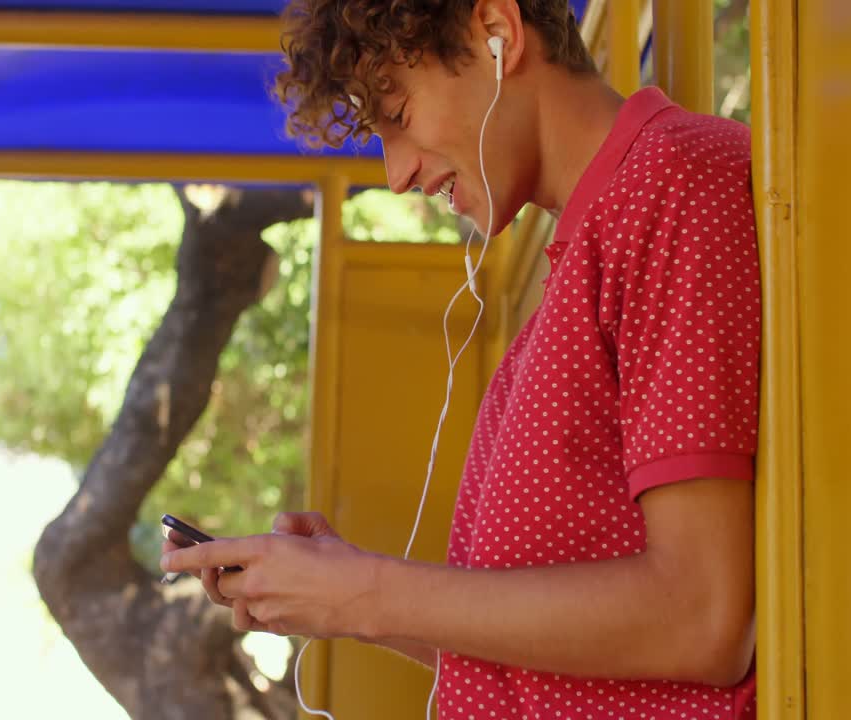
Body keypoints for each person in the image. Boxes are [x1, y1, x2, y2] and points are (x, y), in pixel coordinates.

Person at [159, 0, 761, 718]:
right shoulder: (574, 271)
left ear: (498, 33)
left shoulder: (676, 184)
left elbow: (704, 618)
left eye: (400, 116)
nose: (398, 175)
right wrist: (340, 595)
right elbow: (545, 670)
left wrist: (374, 593)